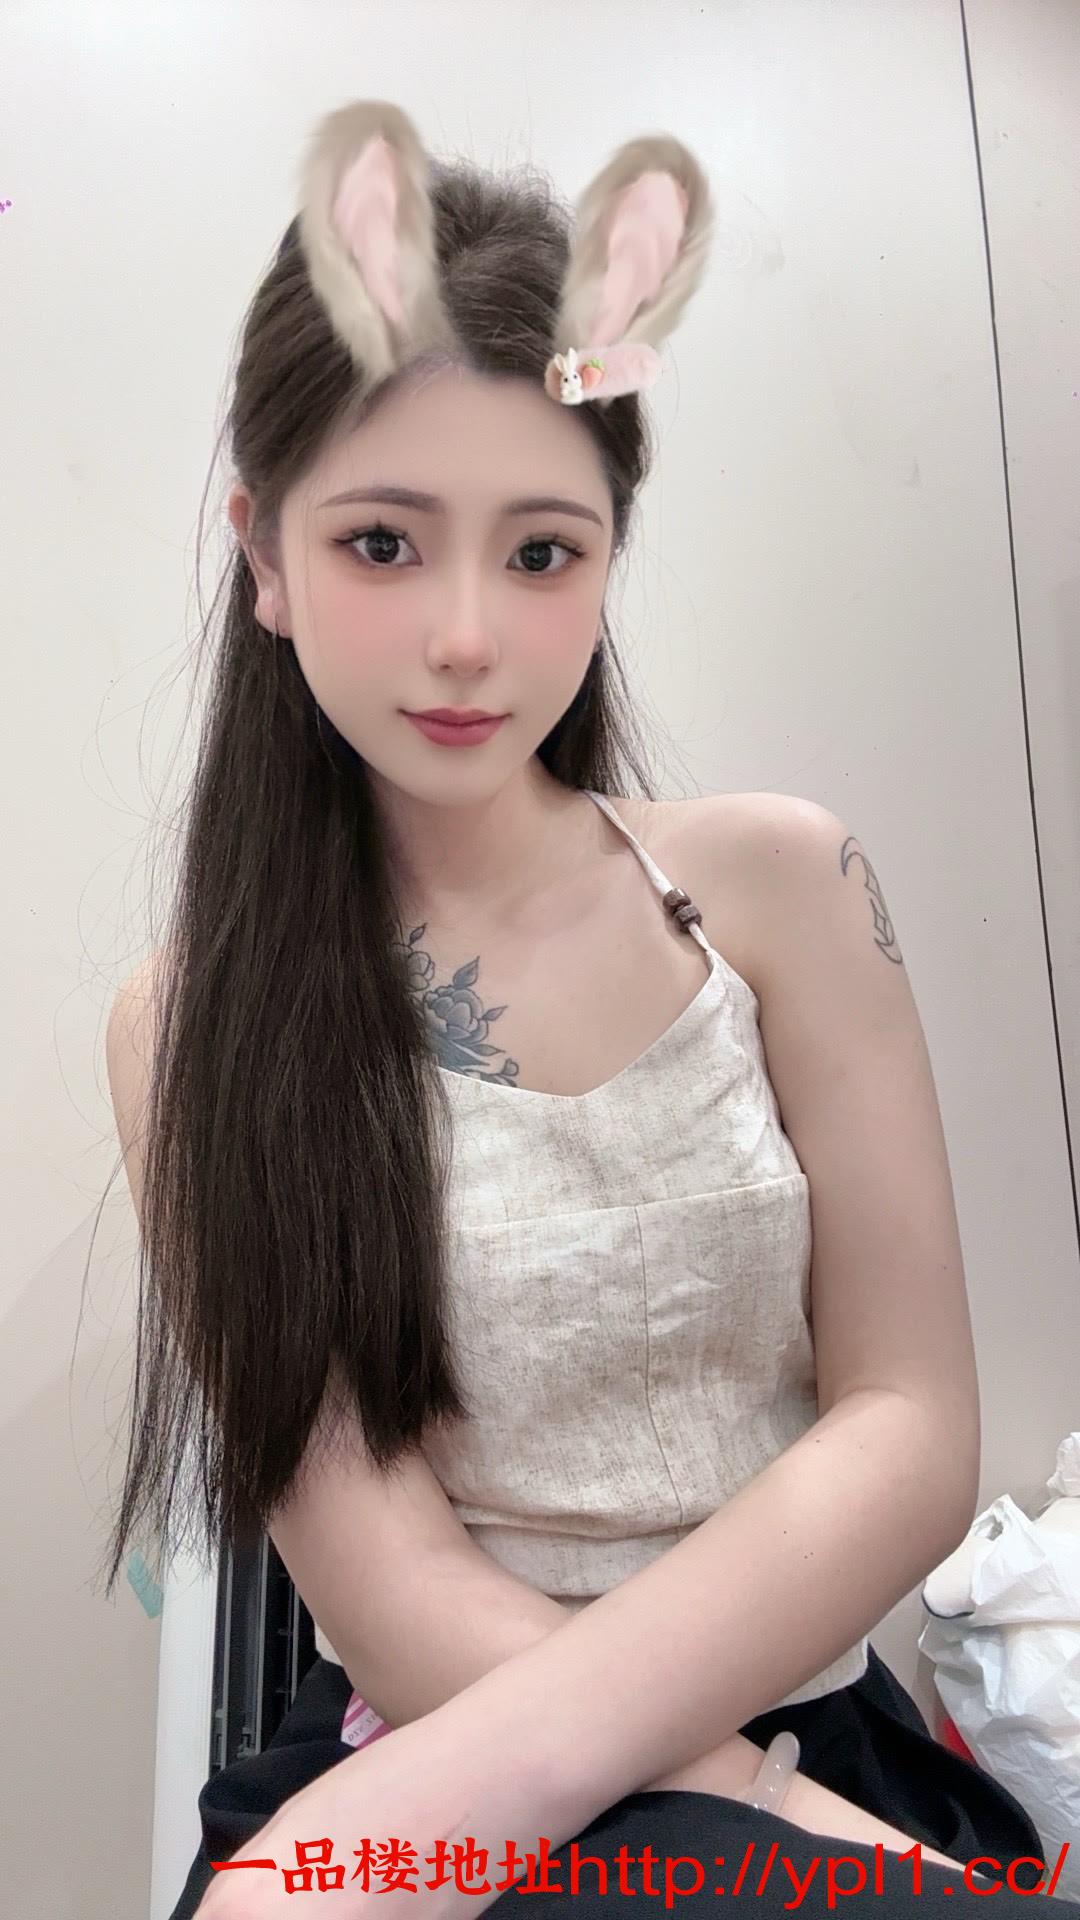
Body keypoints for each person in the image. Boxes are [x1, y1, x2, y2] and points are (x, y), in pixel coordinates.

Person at [99, 101, 1069, 1918]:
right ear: (264, 555)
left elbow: (908, 1421)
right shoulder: (195, 1027)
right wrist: (741, 1800)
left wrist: (776, 1801)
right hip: (435, 1757)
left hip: (803, 1746)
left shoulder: (783, 886)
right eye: (383, 544)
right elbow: (385, 1578)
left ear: (610, 552)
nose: (469, 634)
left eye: (541, 551)